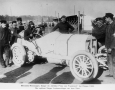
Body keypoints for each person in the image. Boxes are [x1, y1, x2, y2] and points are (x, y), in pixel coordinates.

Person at [103, 13, 115, 78]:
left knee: (113, 60)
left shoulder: (114, 25)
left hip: (113, 47)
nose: (105, 19)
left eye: (106, 18)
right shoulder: (107, 25)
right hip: (108, 46)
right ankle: (111, 74)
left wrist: (111, 47)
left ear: (109, 18)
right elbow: (107, 36)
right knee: (109, 60)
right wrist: (106, 46)